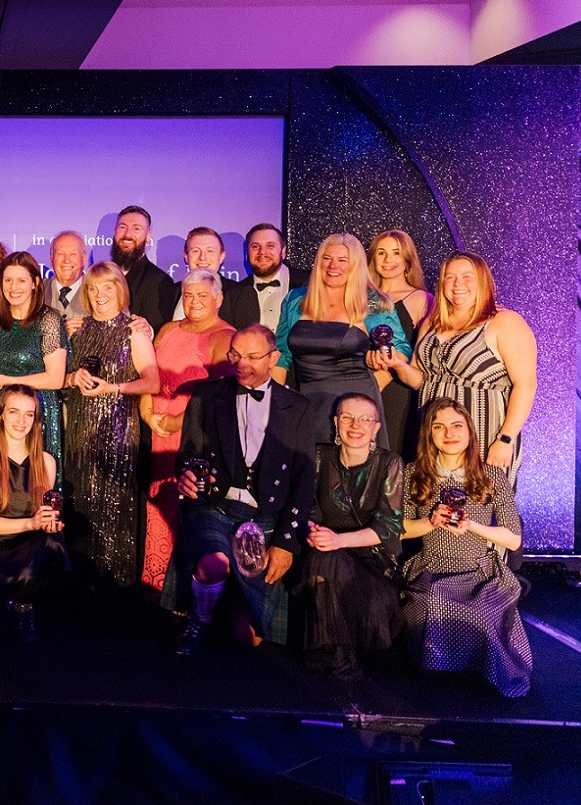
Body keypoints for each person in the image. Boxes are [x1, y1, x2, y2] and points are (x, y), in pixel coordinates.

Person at [165, 324, 317, 656]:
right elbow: (187, 455)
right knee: (214, 563)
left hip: (264, 516)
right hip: (213, 504)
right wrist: (187, 473)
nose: (240, 363)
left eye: (251, 356)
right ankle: (198, 618)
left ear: (274, 358)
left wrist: (285, 543)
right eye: (235, 354)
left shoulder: (299, 408)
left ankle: (227, 610)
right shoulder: (207, 396)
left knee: (248, 637)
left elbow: (304, 481)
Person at [400, 399, 531, 697]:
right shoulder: (414, 473)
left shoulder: (491, 475)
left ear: (470, 432)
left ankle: (475, 672)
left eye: (457, 426)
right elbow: (400, 530)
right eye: (439, 427)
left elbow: (513, 538)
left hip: (478, 569)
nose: (449, 433)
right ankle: (438, 676)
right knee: (433, 602)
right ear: (429, 434)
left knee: (481, 612)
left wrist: (472, 525)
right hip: (432, 566)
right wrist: (431, 521)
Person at [380, 252, 537, 488]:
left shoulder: (504, 321)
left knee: (478, 511)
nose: (457, 284)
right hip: (434, 438)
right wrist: (396, 364)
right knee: (433, 511)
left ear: (483, 280)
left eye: (467, 276)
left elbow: (526, 385)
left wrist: (505, 439)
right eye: (450, 277)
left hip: (482, 436)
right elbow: (418, 379)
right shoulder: (432, 322)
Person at [292, 393, 404, 680]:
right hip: (322, 553)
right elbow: (307, 510)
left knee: (327, 557)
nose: (356, 425)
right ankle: (332, 649)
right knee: (321, 556)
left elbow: (388, 527)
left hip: (371, 564)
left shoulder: (389, 464)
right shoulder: (318, 457)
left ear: (376, 428)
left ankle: (335, 649)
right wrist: (313, 533)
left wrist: (340, 541)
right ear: (335, 422)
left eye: (366, 419)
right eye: (347, 417)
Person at [63, 262, 159, 589]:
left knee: (114, 505)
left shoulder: (134, 330)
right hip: (78, 428)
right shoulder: (76, 330)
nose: (100, 294)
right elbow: (58, 381)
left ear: (120, 289)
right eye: (93, 288)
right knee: (81, 503)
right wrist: (72, 377)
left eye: (107, 287)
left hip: (117, 430)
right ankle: (81, 588)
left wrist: (113, 388)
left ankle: (114, 592)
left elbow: (152, 381)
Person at [140, 269, 234, 597]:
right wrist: (147, 412)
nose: (193, 302)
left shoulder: (224, 338)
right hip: (156, 431)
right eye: (188, 295)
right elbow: (148, 377)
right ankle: (155, 590)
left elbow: (223, 399)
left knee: (187, 513)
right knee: (157, 509)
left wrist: (178, 423)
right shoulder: (167, 330)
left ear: (218, 299)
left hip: (192, 437)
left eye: (202, 296)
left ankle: (184, 595)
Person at [273, 233, 409, 450]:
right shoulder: (295, 299)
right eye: (326, 258)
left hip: (356, 412)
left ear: (355, 265)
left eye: (342, 260)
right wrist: (275, 405)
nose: (333, 265)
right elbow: (281, 356)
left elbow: (401, 351)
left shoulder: (372, 301)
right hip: (308, 404)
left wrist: (370, 393)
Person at [0, 385, 69, 640]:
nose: (21, 421)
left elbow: (44, 516)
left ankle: (23, 606)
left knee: (54, 543)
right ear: (1, 415)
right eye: (14, 412)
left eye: (29, 414)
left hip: (30, 539)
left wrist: (49, 523)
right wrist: (31, 524)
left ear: (36, 419)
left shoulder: (46, 462)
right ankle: (6, 600)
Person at [0, 252, 68, 483]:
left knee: (33, 485)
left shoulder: (49, 319)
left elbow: (55, 379)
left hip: (35, 413)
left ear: (35, 283)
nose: (13, 287)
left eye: (21, 280)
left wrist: (6, 381)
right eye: (7, 280)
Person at [366, 230, 434, 459]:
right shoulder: (360, 296)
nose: (388, 260)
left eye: (396, 253)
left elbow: (423, 354)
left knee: (392, 456)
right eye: (381, 253)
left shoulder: (421, 299)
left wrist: (381, 380)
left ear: (407, 260)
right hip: (362, 385)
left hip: (398, 392)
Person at [222, 223, 309, 332]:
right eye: (255, 246)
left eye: (270, 246)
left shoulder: (309, 284)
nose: (262, 252)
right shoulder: (235, 294)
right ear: (247, 255)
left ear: (283, 252)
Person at [108, 205, 178, 334]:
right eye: (122, 227)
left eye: (136, 229)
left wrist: (148, 331)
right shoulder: (101, 274)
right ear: (114, 232)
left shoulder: (159, 281)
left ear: (148, 236)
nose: (127, 234)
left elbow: (159, 332)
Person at [172, 227, 239, 321]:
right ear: (186, 256)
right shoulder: (171, 291)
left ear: (222, 256)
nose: (202, 257)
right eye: (195, 251)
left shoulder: (238, 294)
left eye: (210, 251)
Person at [44, 230, 89, 332]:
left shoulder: (103, 293)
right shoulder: (36, 292)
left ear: (84, 259)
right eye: (60, 254)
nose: (66, 260)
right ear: (51, 259)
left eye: (73, 254)